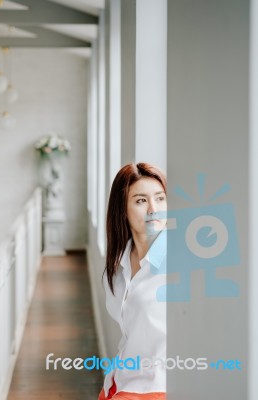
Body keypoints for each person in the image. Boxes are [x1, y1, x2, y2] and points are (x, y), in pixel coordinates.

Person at [98, 162, 167, 400]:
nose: (153, 209)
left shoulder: (179, 263)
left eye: (160, 198)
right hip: (118, 384)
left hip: (156, 387)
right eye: (141, 201)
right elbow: (130, 334)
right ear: (122, 210)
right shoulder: (118, 265)